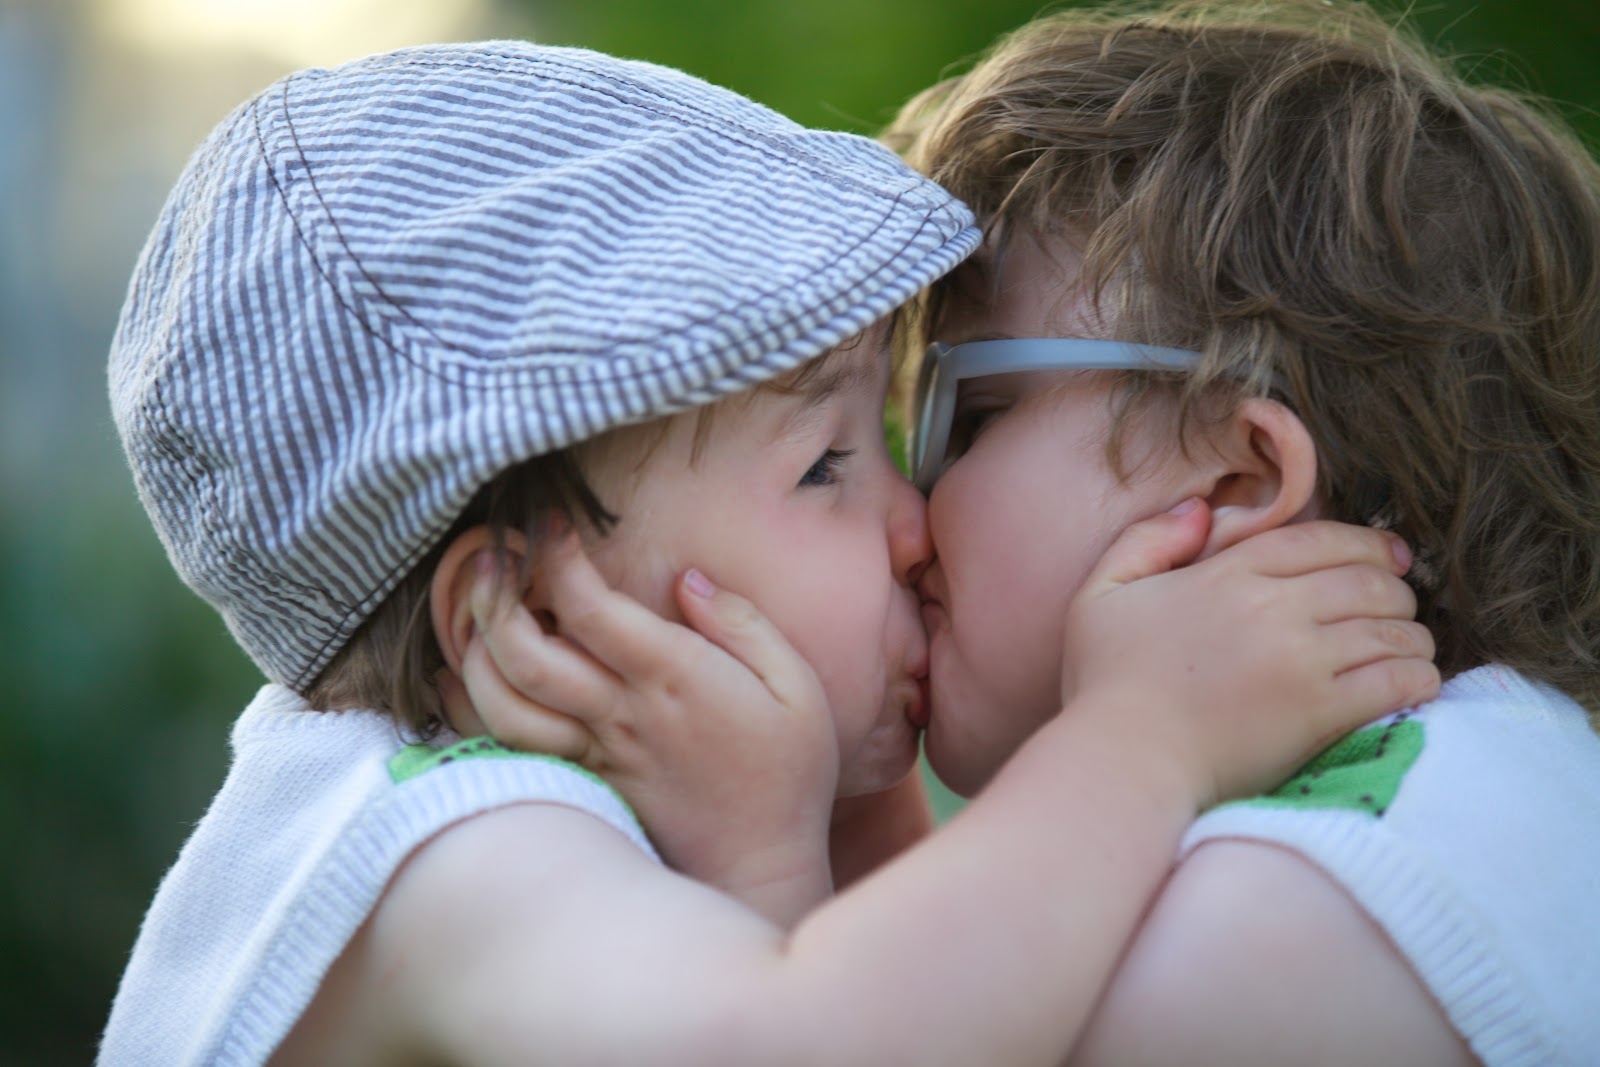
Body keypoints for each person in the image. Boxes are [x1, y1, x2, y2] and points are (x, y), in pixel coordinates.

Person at [98, 38, 1436, 1067]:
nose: (920, 527)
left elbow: (941, 995)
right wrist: (1145, 736)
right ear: (528, 615)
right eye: (825, 467)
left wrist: (827, 814)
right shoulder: (459, 849)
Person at [881, 1, 1600, 1062]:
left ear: (1237, 478)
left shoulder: (1265, 929)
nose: (901, 517)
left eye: (969, 414)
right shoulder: (1501, 790)